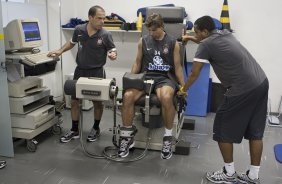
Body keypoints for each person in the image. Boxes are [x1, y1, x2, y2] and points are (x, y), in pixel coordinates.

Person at [181, 15, 268, 184]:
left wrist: (183, 90)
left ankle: (229, 174)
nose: (196, 35)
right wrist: (191, 38)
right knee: (255, 132)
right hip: (261, 82)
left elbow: (194, 73)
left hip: (242, 88)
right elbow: (207, 43)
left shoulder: (206, 43)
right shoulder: (225, 33)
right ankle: (253, 176)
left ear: (205, 31)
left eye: (197, 32)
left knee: (221, 130)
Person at [118, 13, 185, 159]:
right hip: (146, 77)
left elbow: (178, 67)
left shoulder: (173, 43)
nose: (151, 33)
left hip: (163, 78)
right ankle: (127, 137)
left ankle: (167, 138)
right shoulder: (143, 41)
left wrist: (183, 87)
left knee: (166, 97)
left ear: (161, 27)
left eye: (154, 30)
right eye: (149, 30)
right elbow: (137, 62)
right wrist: (130, 80)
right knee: (128, 96)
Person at [48, 5, 117, 143]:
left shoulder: (105, 34)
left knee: (97, 102)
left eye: (104, 18)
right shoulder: (79, 30)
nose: (102, 21)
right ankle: (74, 130)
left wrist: (113, 54)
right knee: (74, 101)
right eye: (99, 18)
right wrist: (60, 51)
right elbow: (72, 43)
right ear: (90, 18)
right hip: (80, 71)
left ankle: (96, 128)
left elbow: (112, 49)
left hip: (97, 72)